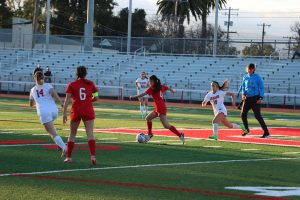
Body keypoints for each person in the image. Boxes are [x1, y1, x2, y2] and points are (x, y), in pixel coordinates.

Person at [130, 75, 185, 145]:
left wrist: (133, 97)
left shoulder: (152, 88)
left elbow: (143, 94)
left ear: (153, 81)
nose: (149, 83)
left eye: (150, 81)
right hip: (158, 108)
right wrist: (172, 90)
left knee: (166, 125)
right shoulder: (160, 86)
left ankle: (180, 135)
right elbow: (167, 88)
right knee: (148, 118)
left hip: (161, 108)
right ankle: (150, 134)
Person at [63, 66, 99, 165]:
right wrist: (88, 100)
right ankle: (93, 156)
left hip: (76, 110)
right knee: (90, 134)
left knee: (72, 134)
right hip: (88, 110)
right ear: (85, 73)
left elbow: (66, 100)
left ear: (76, 74)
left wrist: (64, 113)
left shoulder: (72, 84)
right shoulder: (90, 83)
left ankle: (69, 157)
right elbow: (96, 97)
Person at [29, 71, 66, 156]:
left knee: (52, 133)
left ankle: (64, 148)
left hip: (44, 112)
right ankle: (59, 145)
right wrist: (61, 102)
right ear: (44, 77)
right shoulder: (48, 85)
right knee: (51, 127)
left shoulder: (33, 90)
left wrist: (35, 102)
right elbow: (54, 93)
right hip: (54, 111)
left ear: (35, 78)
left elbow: (31, 104)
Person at [240, 63, 270, 138]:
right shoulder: (245, 77)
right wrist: (243, 94)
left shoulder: (257, 77)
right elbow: (243, 86)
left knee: (257, 115)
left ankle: (266, 132)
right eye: (248, 69)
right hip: (247, 98)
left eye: (251, 69)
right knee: (243, 114)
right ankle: (246, 130)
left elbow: (261, 87)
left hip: (255, 98)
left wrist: (261, 97)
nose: (249, 70)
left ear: (254, 69)